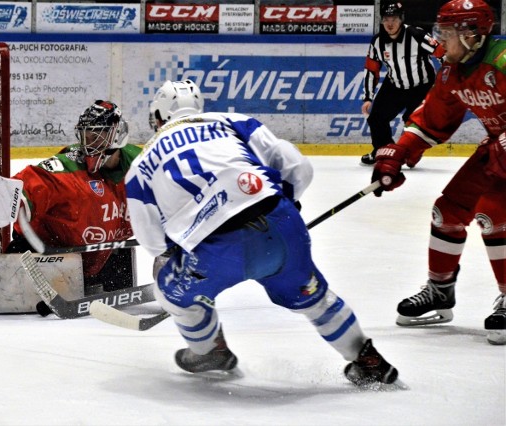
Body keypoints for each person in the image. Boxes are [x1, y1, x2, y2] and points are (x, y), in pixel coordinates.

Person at [125, 79, 399, 385]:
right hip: (280, 226)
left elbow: (151, 240)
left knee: (167, 289)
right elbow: (297, 166)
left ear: (159, 117)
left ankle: (209, 350)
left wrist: (175, 254)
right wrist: (286, 206)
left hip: (212, 253)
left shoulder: (140, 165)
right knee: (314, 296)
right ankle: (368, 360)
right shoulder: (232, 121)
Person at [370, 0, 505, 345]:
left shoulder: (502, 61)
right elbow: (433, 120)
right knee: (447, 212)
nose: (441, 42)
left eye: (448, 34)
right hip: (498, 151)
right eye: (440, 32)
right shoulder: (452, 70)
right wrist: (398, 154)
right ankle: (440, 290)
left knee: (492, 213)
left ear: (474, 35)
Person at [0, 100, 141, 300]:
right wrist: (0, 197)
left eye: (97, 135)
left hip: (101, 258)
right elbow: (34, 182)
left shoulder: (142, 165)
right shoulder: (67, 169)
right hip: (41, 258)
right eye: (86, 134)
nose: (89, 142)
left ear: (118, 134)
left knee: (123, 252)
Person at [360, 1, 444, 165]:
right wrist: (368, 97)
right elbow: (371, 69)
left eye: (394, 19)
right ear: (382, 21)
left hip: (422, 86)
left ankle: (411, 154)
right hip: (395, 85)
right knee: (376, 118)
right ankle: (383, 151)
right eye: (386, 19)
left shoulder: (416, 35)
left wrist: (448, 82)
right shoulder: (377, 42)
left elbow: (442, 54)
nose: (390, 23)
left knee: (413, 123)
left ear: (401, 19)